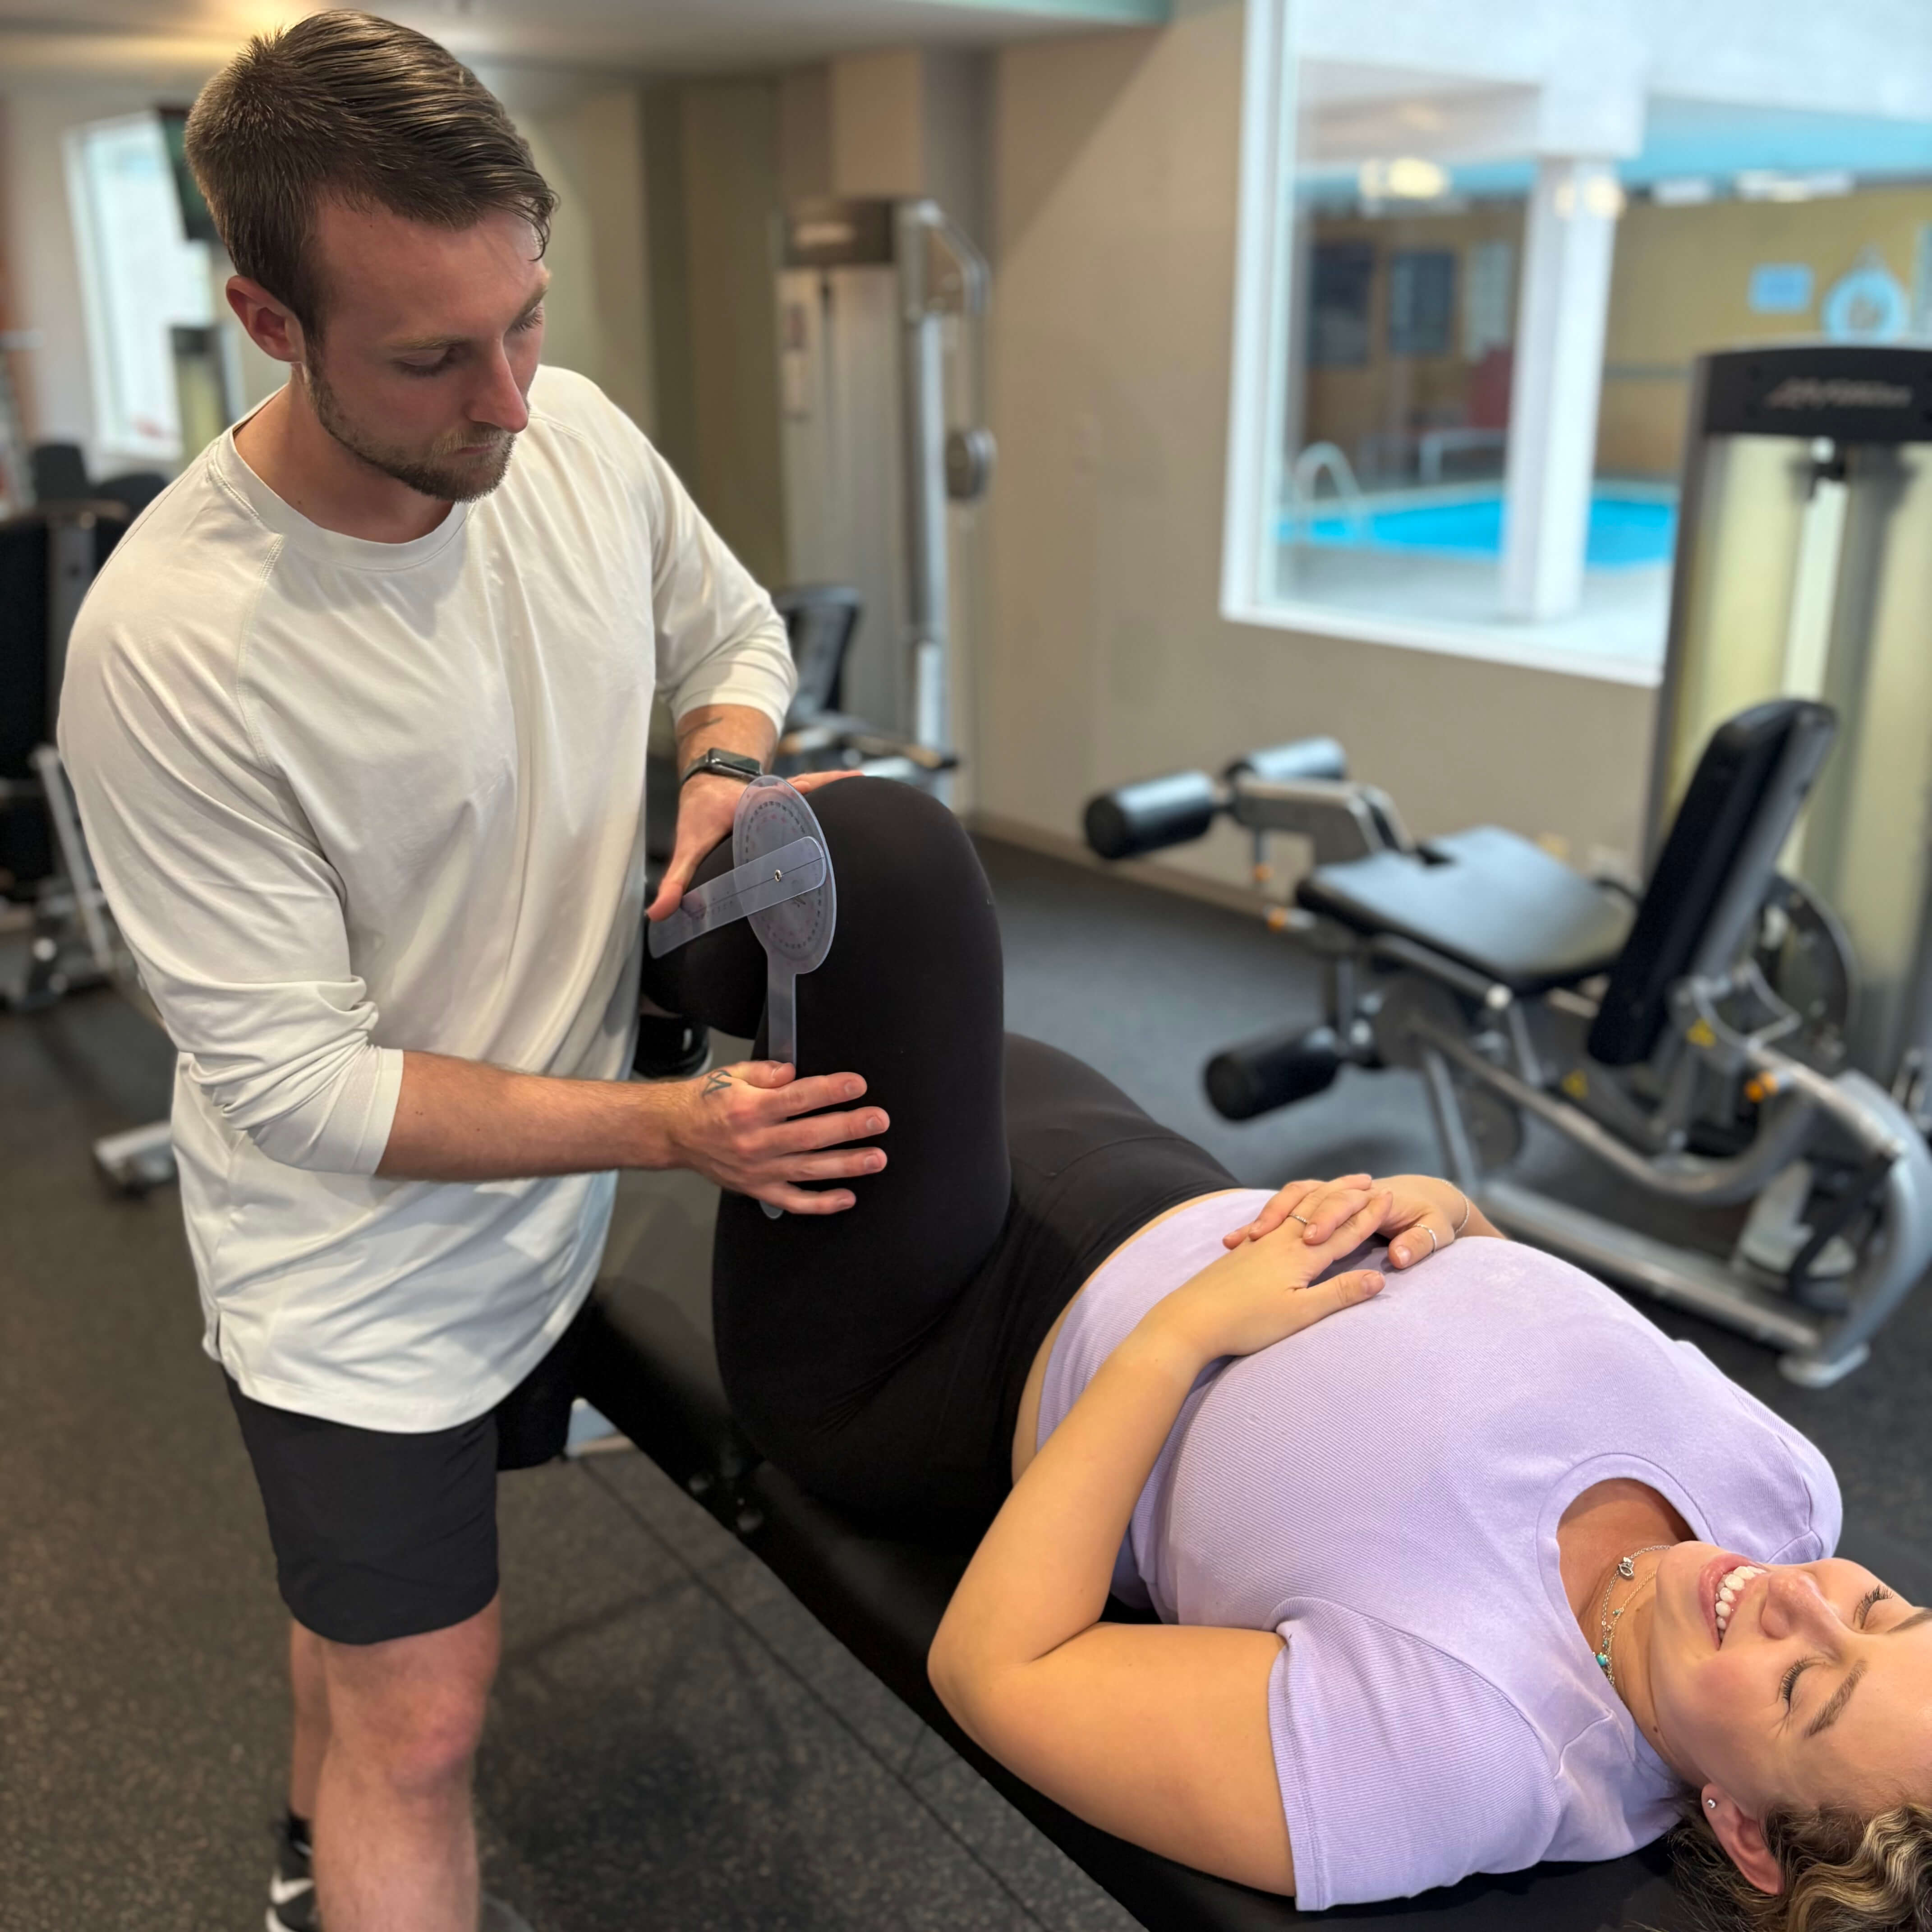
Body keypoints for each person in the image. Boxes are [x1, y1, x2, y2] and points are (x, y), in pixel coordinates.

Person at [56, 16, 892, 1932]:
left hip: (544, 1214)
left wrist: (722, 766)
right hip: (352, 1287)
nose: (509, 397)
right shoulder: (172, 645)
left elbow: (733, 623)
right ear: (271, 323)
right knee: (426, 1725)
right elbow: (304, 1092)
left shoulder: (567, 430)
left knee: (358, 1657)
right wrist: (676, 1132)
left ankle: (304, 1844)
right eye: (434, 356)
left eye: (524, 316)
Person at [641, 775, 1932, 1932]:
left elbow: (996, 1670)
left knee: (878, 856)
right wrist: (1447, 1213)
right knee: (839, 970)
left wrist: (1184, 1334)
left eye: (1805, 1681)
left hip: (942, 1346)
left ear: (1746, 1833)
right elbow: (1537, 1334)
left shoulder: (1470, 1751)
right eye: (1883, 1609)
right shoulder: (1786, 1492)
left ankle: (605, 947)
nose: (1798, 1594)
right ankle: (659, 970)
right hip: (1146, 1177)